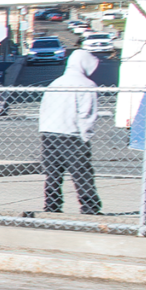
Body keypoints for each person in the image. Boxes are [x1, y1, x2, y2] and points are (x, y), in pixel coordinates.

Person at [38, 44, 105, 215]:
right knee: (82, 173)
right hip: (72, 135)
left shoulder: (56, 83)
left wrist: (44, 129)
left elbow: (44, 108)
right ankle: (89, 207)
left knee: (53, 174)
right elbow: (87, 114)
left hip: (49, 133)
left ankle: (52, 206)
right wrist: (86, 136)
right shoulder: (87, 85)